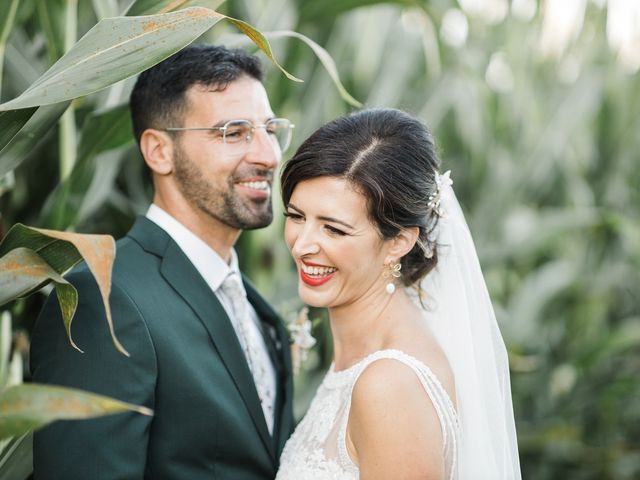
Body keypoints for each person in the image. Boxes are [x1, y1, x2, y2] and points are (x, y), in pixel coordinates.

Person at [30, 44, 295, 479]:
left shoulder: (260, 313)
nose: (268, 156)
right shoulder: (103, 299)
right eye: (233, 132)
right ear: (159, 151)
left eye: (270, 129)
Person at [276, 108, 521, 479]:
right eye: (296, 217)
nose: (302, 245)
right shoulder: (367, 354)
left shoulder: (389, 386)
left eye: (334, 230)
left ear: (399, 241)